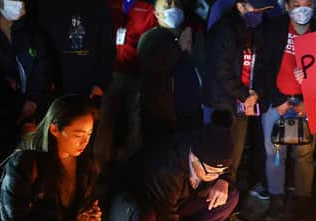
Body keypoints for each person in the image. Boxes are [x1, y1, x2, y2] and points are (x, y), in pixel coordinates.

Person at [112, 110, 240, 221]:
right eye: (211, 171)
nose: (215, 176)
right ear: (194, 158)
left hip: (180, 198)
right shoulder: (167, 169)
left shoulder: (212, 147)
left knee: (229, 197)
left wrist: (224, 180)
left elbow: (225, 166)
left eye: (220, 171)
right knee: (146, 218)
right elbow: (168, 220)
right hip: (146, 200)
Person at [203, 0, 279, 221]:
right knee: (218, 161)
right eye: (255, 9)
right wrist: (245, 94)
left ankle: (226, 212)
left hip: (244, 104)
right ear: (239, 6)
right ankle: (212, 217)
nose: (259, 14)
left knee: (233, 161)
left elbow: (264, 68)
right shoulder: (224, 30)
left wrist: (256, 94)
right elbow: (220, 69)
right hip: (223, 105)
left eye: (262, 11)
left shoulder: (257, 30)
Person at [257, 0, 316, 219]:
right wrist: (277, 100)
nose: (302, 8)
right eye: (296, 3)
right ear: (286, 6)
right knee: (275, 153)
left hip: (306, 104)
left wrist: (309, 100)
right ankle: (277, 198)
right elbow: (263, 67)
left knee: (304, 154)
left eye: (307, 3)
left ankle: (303, 198)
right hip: (278, 104)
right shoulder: (274, 28)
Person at [0, 0, 50, 164]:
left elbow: (42, 65)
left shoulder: (31, 30)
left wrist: (32, 102)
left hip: (27, 112)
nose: (19, 4)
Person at [95, 0, 158, 177]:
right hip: (111, 72)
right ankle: (99, 167)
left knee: (136, 120)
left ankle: (133, 167)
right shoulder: (109, 4)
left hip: (137, 74)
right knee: (105, 118)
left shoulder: (147, 8)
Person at [137, 0, 201, 139]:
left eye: (177, 4)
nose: (173, 8)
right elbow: (154, 66)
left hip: (191, 113)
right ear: (157, 14)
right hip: (163, 117)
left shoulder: (188, 35)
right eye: (167, 5)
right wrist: (179, 48)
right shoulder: (150, 38)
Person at [32, 0, 115, 99]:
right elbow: (40, 47)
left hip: (90, 89)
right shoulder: (43, 6)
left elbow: (107, 48)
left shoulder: (98, 6)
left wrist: (101, 84)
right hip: (55, 86)